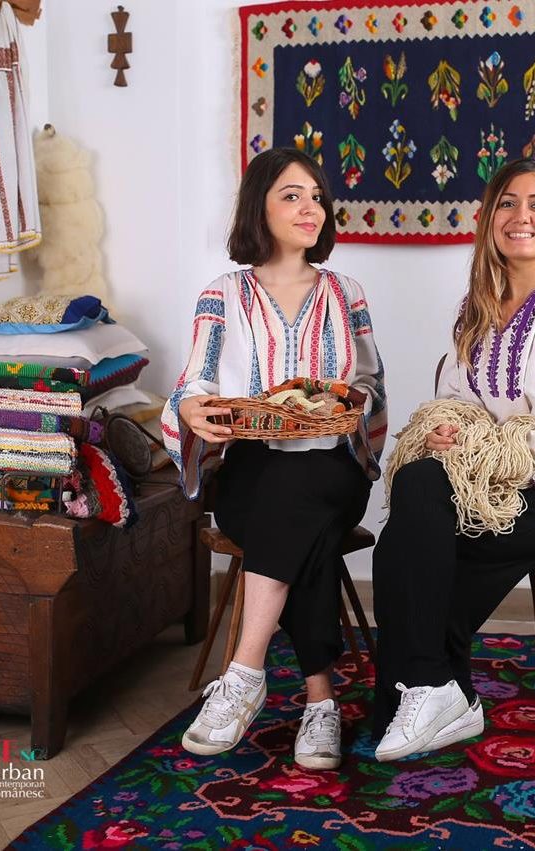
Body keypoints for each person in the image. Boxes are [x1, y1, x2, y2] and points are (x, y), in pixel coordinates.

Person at [371, 157, 535, 761]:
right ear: (489, 219)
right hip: (476, 486)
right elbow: (458, 404)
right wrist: (447, 432)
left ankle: (422, 684)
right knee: (411, 511)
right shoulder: (476, 310)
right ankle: (440, 690)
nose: (521, 217)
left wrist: (496, 461)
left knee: (414, 520)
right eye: (507, 203)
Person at [160, 148, 387, 768]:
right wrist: (190, 411)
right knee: (295, 509)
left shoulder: (346, 293)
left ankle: (243, 673)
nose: (310, 208)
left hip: (334, 467)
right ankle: (320, 700)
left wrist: (349, 401)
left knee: (300, 486)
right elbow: (193, 385)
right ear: (257, 207)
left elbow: (372, 386)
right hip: (249, 472)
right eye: (292, 195)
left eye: (316, 197)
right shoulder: (222, 294)